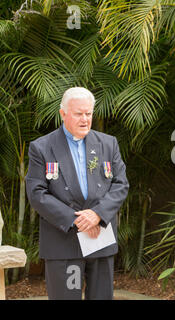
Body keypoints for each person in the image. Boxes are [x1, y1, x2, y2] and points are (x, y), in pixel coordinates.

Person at [25, 87, 129, 300]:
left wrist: (97, 214)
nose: (85, 119)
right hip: (63, 240)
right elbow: (37, 193)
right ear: (63, 114)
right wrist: (78, 220)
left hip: (99, 237)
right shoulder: (42, 147)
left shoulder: (108, 144)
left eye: (88, 114)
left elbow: (120, 184)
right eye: (78, 114)